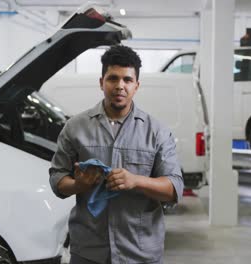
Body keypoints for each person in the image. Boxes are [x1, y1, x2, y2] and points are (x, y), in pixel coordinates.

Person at [49, 45, 183, 264]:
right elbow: (57, 180)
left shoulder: (156, 132)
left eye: (127, 80)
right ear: (101, 82)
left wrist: (136, 181)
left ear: (136, 85)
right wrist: (79, 185)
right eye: (113, 78)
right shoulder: (75, 128)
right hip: (89, 251)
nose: (120, 86)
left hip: (139, 252)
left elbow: (174, 189)